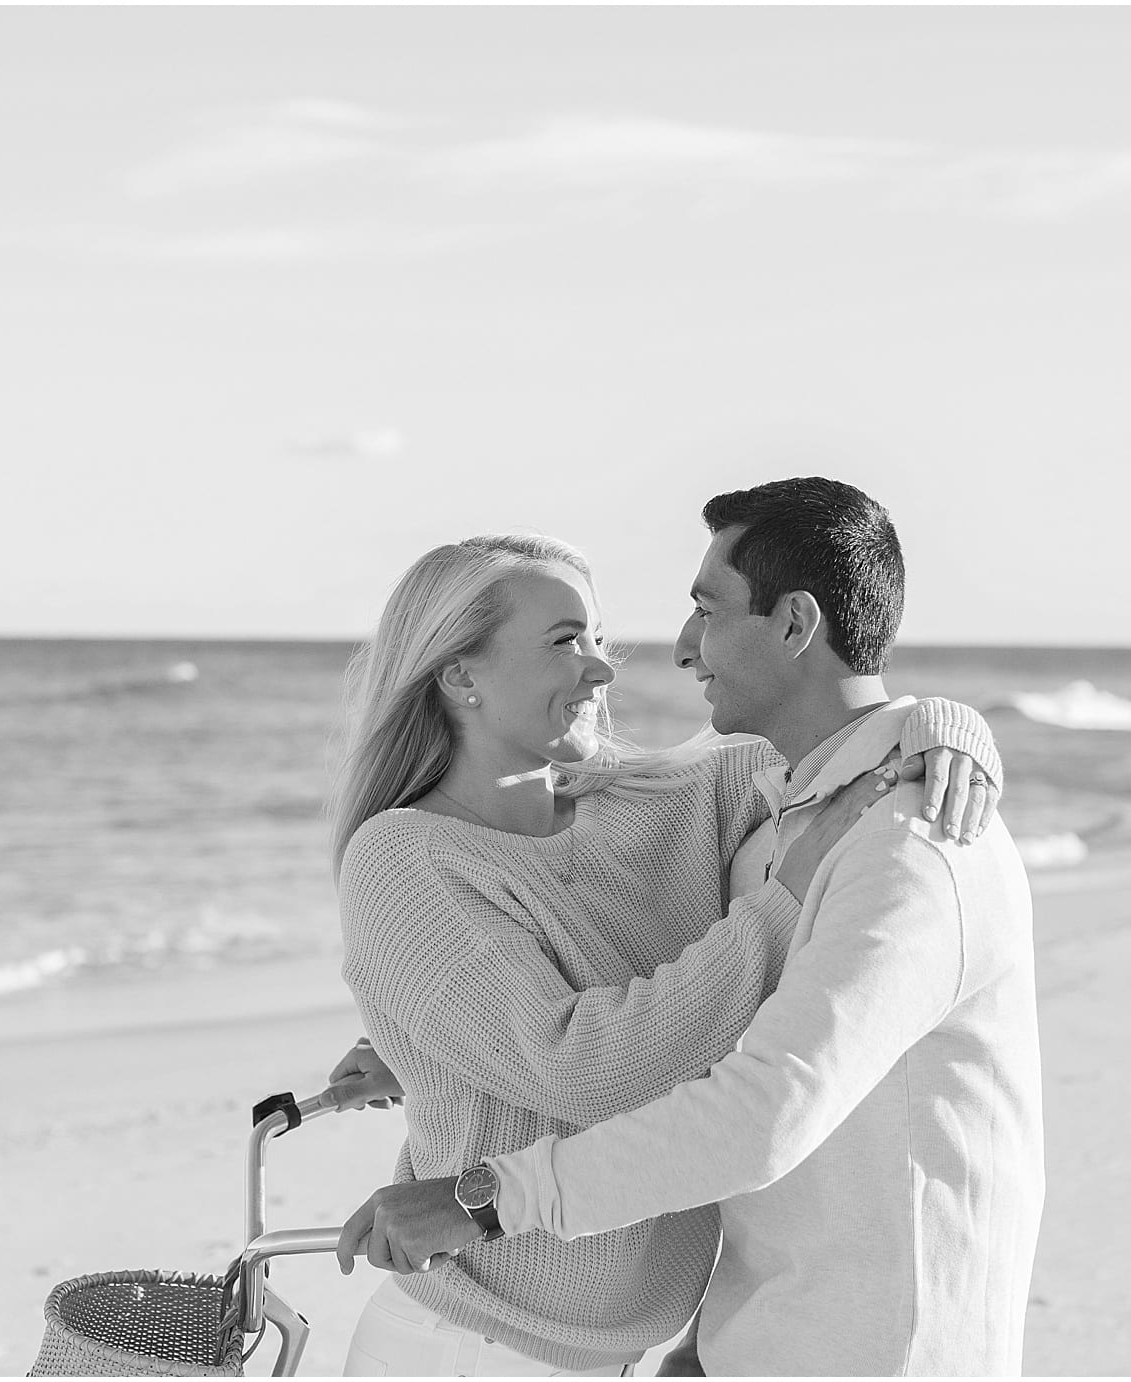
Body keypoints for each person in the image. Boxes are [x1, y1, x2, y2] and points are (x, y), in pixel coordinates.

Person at [337, 479, 1044, 1376]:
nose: (607, 667)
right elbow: (585, 1065)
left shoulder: (669, 803)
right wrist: (776, 911)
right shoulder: (406, 858)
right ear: (460, 674)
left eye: (596, 636)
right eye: (565, 642)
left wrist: (952, 730)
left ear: (790, 624)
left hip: (629, 1353)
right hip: (470, 1349)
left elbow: (846, 739)